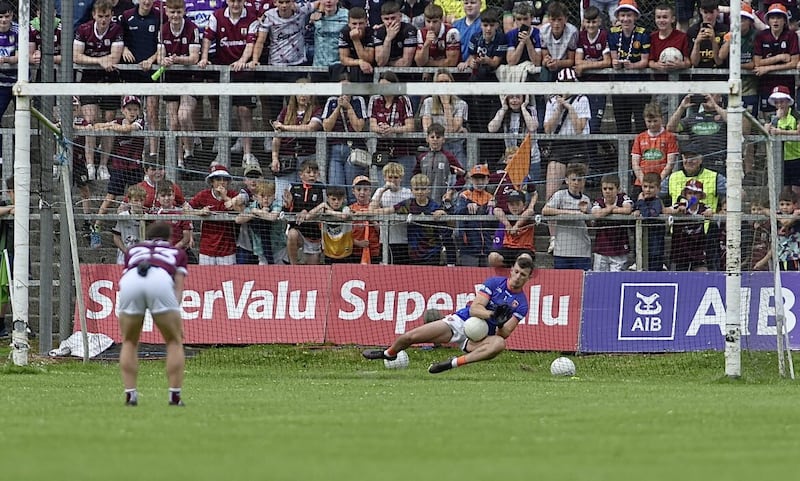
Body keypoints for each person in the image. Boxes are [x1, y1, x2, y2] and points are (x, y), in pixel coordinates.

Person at [362, 253, 534, 374]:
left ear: (529, 278)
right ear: (511, 270)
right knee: (410, 337)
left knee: (498, 345)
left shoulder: (522, 305)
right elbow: (475, 308)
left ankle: (452, 363)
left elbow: (505, 334)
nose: (518, 277)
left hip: (478, 338)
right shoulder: (495, 282)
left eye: (523, 275)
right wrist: (492, 315)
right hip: (459, 323)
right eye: (517, 272)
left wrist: (501, 323)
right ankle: (388, 354)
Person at [117, 221, 188, 407]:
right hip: (160, 279)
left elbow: (126, 274)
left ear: (146, 236)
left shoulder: (132, 250)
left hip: (132, 279)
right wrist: (175, 314)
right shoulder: (177, 253)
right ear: (170, 237)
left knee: (129, 341)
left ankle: (130, 395)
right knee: (174, 340)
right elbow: (178, 288)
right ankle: (174, 396)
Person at [198, 0, 260, 167]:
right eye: (232, 0)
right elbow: (207, 38)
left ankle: (247, 154)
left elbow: (250, 43)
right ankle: (221, 151)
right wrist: (204, 57)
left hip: (243, 71)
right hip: (223, 71)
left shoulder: (252, 18)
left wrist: (242, 60)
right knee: (221, 111)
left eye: (239, 1)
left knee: (245, 111)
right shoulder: (217, 16)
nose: (235, 4)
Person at [73, 0, 125, 181]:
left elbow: (116, 56)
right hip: (89, 78)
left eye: (107, 16)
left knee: (109, 121)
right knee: (90, 121)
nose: (104, 20)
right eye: (100, 16)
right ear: (94, 15)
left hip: (111, 79)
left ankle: (103, 164)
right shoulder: (84, 29)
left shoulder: (116, 29)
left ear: (111, 15)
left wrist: (106, 60)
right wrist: (99, 61)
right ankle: (90, 165)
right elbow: (76, 56)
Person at [157, 0, 202, 169]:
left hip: (190, 78)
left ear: (184, 11)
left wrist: (176, 59)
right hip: (171, 79)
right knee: (173, 122)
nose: (175, 15)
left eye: (179, 12)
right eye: (172, 12)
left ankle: (189, 152)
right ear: (167, 12)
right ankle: (177, 161)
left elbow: (193, 58)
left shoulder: (192, 28)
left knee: (184, 115)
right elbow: (161, 57)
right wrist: (165, 60)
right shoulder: (163, 30)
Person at [371, 173, 451, 265]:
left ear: (428, 190)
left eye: (423, 189)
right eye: (416, 189)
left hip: (432, 254)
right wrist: (360, 213)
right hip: (414, 255)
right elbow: (386, 211)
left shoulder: (435, 207)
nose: (420, 192)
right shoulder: (408, 204)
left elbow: (449, 227)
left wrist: (444, 213)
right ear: (412, 191)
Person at [271, 78, 324, 205]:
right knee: (282, 198)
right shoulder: (286, 111)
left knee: (306, 198)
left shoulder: (317, 110)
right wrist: (274, 157)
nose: (303, 95)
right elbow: (277, 136)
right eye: (300, 92)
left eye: (306, 92)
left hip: (307, 159)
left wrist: (285, 127)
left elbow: (310, 128)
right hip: (286, 159)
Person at [120, 0, 161, 160]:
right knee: (130, 114)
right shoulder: (127, 16)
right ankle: (129, 152)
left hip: (151, 73)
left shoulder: (159, 16)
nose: (146, 1)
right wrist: (124, 48)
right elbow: (118, 37)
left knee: (151, 113)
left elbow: (163, 45)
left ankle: (153, 154)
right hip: (131, 73)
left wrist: (151, 60)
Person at [96, 96, 146, 222]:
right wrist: (106, 124)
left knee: (138, 200)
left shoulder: (140, 122)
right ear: (123, 110)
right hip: (118, 167)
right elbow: (97, 126)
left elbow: (126, 129)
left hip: (135, 167)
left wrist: (111, 126)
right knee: (110, 199)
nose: (132, 112)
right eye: (129, 109)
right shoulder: (117, 121)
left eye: (135, 109)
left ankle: (139, 230)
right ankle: (96, 227)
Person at [457, 8, 506, 133]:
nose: (488, 29)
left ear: (497, 25)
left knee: (491, 121)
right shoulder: (475, 37)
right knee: (477, 120)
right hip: (477, 82)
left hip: (494, 83)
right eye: (485, 25)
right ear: (481, 25)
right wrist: (471, 62)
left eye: (491, 25)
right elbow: (472, 57)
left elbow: (495, 62)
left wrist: (486, 60)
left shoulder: (501, 38)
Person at [322, 74, 369, 196]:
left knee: (353, 188)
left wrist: (348, 108)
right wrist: (338, 107)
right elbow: (326, 127)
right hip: (335, 150)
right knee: (336, 189)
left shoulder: (358, 100)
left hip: (354, 149)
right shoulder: (331, 101)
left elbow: (358, 127)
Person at [608, 0, 650, 135]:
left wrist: (632, 65)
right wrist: (615, 63)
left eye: (629, 15)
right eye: (622, 15)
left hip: (639, 84)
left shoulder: (643, 34)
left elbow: (644, 61)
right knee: (622, 124)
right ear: (618, 17)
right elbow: (613, 57)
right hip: (619, 85)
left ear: (635, 17)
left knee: (640, 123)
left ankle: (642, 154)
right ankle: (623, 155)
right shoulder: (613, 33)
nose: (625, 19)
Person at [368, 71, 417, 186]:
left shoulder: (403, 100)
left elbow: (410, 126)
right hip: (382, 150)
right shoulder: (375, 100)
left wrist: (393, 129)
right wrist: (380, 129)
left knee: (403, 187)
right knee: (383, 187)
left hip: (403, 150)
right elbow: (372, 124)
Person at [541, 162, 592, 270]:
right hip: (562, 251)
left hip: (582, 251)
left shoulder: (586, 200)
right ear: (566, 180)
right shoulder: (560, 195)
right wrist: (570, 213)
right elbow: (545, 210)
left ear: (583, 182)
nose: (576, 183)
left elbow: (591, 224)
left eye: (579, 180)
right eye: (573, 180)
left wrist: (587, 213)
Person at [187, 164, 240, 265]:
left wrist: (225, 197)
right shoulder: (203, 195)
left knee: (227, 280)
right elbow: (185, 209)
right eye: (218, 179)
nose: (222, 182)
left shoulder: (233, 195)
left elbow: (241, 210)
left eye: (225, 179)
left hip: (227, 249)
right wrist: (199, 212)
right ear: (212, 182)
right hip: (207, 249)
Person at [753, 3, 799, 116]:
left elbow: (793, 62)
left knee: (787, 116)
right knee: (767, 117)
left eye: (779, 17)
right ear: (768, 21)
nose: (775, 21)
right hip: (766, 83)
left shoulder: (791, 35)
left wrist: (767, 68)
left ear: (784, 20)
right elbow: (757, 62)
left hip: (786, 83)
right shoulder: (761, 36)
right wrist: (780, 57)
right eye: (772, 18)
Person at [666, 93, 728, 174]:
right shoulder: (693, 117)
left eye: (712, 95)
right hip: (697, 165)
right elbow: (670, 128)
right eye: (705, 95)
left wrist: (715, 106)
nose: (708, 97)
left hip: (718, 164)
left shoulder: (724, 116)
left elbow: (735, 124)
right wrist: (681, 107)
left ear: (720, 98)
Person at [419, 69, 469, 167]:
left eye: (447, 82)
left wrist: (445, 103)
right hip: (435, 146)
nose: (444, 85)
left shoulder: (461, 104)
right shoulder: (428, 102)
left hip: (455, 147)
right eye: (440, 82)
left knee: (458, 177)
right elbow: (428, 130)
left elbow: (451, 130)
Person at [487, 93, 540, 182]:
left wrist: (523, 108)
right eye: (511, 97)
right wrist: (504, 108)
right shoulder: (503, 111)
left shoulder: (531, 110)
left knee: (529, 189)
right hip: (512, 160)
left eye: (518, 97)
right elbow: (491, 128)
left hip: (531, 159)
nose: (514, 100)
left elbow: (532, 127)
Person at [574, 5, 611, 134]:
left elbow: (607, 62)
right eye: (588, 22)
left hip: (600, 86)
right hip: (583, 86)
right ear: (583, 22)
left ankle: (604, 148)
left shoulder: (604, 36)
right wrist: (595, 63)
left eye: (594, 22)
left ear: (599, 22)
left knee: (594, 125)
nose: (591, 25)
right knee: (584, 125)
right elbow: (577, 61)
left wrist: (585, 65)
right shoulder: (581, 36)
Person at [663, 179, 714, 271]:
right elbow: (665, 210)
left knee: (703, 273)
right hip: (680, 250)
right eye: (690, 193)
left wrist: (708, 213)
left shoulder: (703, 207)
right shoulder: (680, 205)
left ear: (700, 196)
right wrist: (676, 211)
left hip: (697, 249)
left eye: (696, 193)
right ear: (685, 195)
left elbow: (710, 211)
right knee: (679, 277)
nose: (692, 196)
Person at [631, 102, 679, 198]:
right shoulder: (640, 137)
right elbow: (635, 163)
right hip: (641, 182)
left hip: (662, 182)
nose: (652, 124)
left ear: (661, 119)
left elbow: (670, 163)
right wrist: (643, 182)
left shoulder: (669, 137)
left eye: (655, 121)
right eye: (649, 121)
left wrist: (658, 181)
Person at [283, 159, 326, 265]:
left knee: (312, 270)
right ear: (301, 175)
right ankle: (293, 266)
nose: (312, 175)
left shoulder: (321, 188)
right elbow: (286, 211)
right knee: (292, 234)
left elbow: (322, 207)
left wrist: (307, 212)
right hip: (298, 231)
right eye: (309, 172)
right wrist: (288, 204)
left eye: (315, 173)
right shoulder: (293, 187)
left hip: (313, 233)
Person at [369, 162, 414, 263]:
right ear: (384, 177)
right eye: (390, 177)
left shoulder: (407, 193)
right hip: (386, 240)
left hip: (403, 239)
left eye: (396, 177)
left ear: (401, 178)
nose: (393, 180)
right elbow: (370, 210)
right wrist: (382, 191)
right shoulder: (380, 191)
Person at [413, 123, 466, 205]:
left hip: (441, 201)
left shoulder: (448, 156)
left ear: (443, 139)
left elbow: (462, 176)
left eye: (438, 137)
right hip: (423, 202)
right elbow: (415, 177)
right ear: (427, 139)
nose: (435, 140)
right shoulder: (422, 157)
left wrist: (452, 191)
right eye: (432, 137)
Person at [454, 164, 495, 266]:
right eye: (476, 179)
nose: (479, 182)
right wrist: (467, 206)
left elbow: (495, 224)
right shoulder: (464, 195)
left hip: (488, 248)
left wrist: (494, 209)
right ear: (471, 180)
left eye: (482, 178)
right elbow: (456, 212)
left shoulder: (491, 198)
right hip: (469, 249)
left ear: (487, 180)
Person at [591, 174, 633, 271]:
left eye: (611, 188)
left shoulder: (623, 197)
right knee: (599, 280)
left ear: (618, 189)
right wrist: (612, 208)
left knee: (616, 280)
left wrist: (608, 210)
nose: (607, 191)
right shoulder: (599, 201)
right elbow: (596, 214)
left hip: (619, 249)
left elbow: (627, 209)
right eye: (605, 189)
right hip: (601, 249)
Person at [235, 179, 280, 265]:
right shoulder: (253, 206)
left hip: (278, 247)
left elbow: (273, 217)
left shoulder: (277, 204)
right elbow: (238, 219)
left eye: (269, 195)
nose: (266, 199)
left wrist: (258, 212)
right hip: (260, 249)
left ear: (274, 196)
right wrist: (256, 212)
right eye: (262, 196)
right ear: (255, 197)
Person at [764, 85, 800, 192]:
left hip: (796, 157)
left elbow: (798, 131)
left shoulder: (795, 114)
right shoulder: (772, 116)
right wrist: (776, 119)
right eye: (776, 102)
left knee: (796, 190)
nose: (779, 105)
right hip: (780, 158)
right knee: (783, 189)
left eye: (782, 102)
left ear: (788, 101)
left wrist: (781, 132)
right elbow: (766, 130)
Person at [755, 188, 800, 271]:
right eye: (782, 204)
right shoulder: (777, 215)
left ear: (794, 205)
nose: (784, 207)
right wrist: (776, 216)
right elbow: (766, 211)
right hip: (779, 257)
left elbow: (786, 222)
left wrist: (793, 217)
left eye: (788, 204)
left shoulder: (797, 215)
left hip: (794, 256)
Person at [489, 189, 536, 268]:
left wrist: (516, 226)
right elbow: (496, 210)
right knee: (492, 257)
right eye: (511, 204)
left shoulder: (528, 216)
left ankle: (517, 268)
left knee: (525, 258)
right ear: (508, 205)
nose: (514, 207)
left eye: (517, 204)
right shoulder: (506, 216)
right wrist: (507, 225)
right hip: (508, 248)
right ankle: (510, 267)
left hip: (524, 248)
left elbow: (530, 211)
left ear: (524, 205)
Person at [632, 172, 666, 271]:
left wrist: (641, 203)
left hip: (655, 248)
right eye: (645, 186)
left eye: (651, 187)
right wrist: (636, 210)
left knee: (654, 274)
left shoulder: (657, 202)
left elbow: (649, 216)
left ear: (658, 189)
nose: (647, 190)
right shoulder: (639, 201)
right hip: (641, 245)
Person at [314, 186, 355, 262]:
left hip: (345, 251)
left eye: (339, 199)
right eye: (333, 199)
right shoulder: (323, 209)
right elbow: (309, 215)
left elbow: (344, 216)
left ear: (343, 199)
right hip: (329, 251)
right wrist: (322, 205)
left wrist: (329, 212)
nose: (336, 202)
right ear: (327, 198)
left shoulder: (346, 208)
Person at [414, 3, 461, 69]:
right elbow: (419, 63)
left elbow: (451, 63)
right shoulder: (421, 33)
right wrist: (426, 44)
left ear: (441, 20)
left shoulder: (452, 32)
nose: (431, 26)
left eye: (435, 22)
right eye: (428, 21)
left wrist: (429, 63)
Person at [311, 0, 350, 78]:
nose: (328, 1)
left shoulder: (347, 15)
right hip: (319, 66)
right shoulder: (313, 16)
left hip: (339, 65)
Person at [374, 1, 418, 67]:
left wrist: (388, 63)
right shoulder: (379, 32)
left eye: (393, 18)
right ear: (382, 19)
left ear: (400, 17)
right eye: (386, 19)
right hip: (384, 74)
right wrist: (388, 39)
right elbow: (380, 63)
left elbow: (405, 63)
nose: (390, 22)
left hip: (407, 74)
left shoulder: (409, 30)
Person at [338, 7, 376, 83]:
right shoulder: (344, 32)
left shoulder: (371, 33)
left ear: (366, 22)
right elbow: (343, 58)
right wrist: (359, 62)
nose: (357, 27)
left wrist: (356, 40)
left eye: (361, 23)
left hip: (369, 68)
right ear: (348, 23)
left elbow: (368, 59)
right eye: (354, 24)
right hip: (352, 65)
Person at [349, 175, 382, 263]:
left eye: (365, 189)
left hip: (373, 251)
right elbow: (345, 233)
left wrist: (372, 220)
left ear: (370, 191)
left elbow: (382, 232)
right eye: (358, 189)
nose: (362, 193)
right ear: (353, 191)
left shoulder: (377, 208)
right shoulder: (350, 209)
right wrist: (357, 243)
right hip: (354, 251)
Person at [687, 0, 727, 69]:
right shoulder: (692, 31)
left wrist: (713, 41)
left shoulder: (725, 30)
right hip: (698, 76)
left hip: (719, 76)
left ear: (717, 11)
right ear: (700, 11)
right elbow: (694, 62)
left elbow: (719, 61)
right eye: (705, 12)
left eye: (711, 12)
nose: (708, 16)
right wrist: (697, 42)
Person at [112, 185, 146, 265]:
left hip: (141, 256)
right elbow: (116, 237)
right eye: (136, 200)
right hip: (124, 256)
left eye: (141, 200)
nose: (139, 203)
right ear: (129, 200)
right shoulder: (122, 216)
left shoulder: (147, 217)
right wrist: (126, 251)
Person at [0, 176, 13, 339]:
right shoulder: (6, 205)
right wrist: (11, 207)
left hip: (8, 253)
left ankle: (1, 324)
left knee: (4, 290)